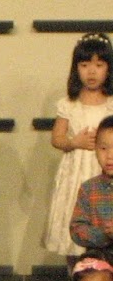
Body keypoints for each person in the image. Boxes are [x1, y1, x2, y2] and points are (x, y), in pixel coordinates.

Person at [44, 34, 112, 260]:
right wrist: (75, 142)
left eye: (99, 65)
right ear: (76, 69)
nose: (91, 72)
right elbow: (57, 138)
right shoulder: (69, 104)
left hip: (105, 171)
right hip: (76, 173)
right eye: (84, 65)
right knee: (77, 219)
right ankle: (76, 276)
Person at [70, 116, 113, 252]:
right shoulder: (89, 188)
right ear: (95, 149)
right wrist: (104, 234)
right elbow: (77, 230)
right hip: (99, 260)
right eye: (103, 148)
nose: (109, 156)